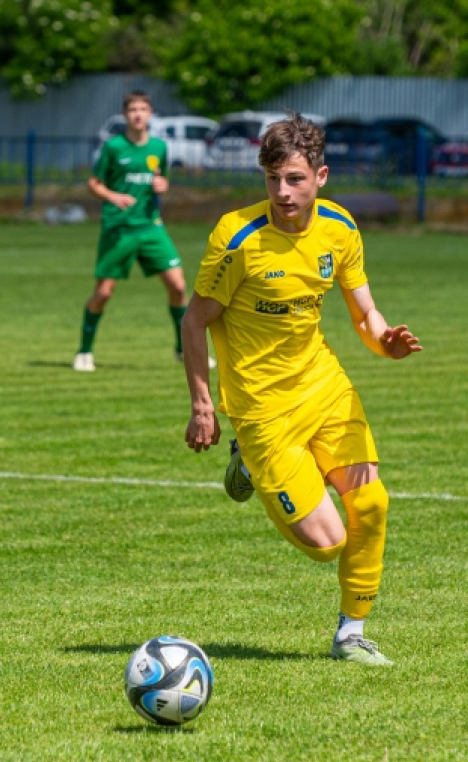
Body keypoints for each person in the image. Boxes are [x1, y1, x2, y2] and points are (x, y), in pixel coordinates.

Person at [181, 113, 421, 667]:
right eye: (272, 180)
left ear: (321, 176)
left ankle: (351, 634)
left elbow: (364, 311)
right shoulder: (237, 237)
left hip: (324, 385)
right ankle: (247, 459)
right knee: (327, 542)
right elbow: (195, 321)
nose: (282, 192)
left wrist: (386, 341)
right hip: (262, 408)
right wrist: (202, 406)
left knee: (373, 503)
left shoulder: (339, 228)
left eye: (294, 179)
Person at [73, 90, 215, 372]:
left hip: (151, 227)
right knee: (103, 293)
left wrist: (163, 186)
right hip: (119, 228)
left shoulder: (159, 147)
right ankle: (84, 352)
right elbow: (94, 183)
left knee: (178, 286)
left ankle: (181, 348)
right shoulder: (113, 147)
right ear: (125, 115)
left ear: (150, 114)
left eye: (143, 109)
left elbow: (159, 180)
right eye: (133, 110)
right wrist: (113, 197)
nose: (138, 114)